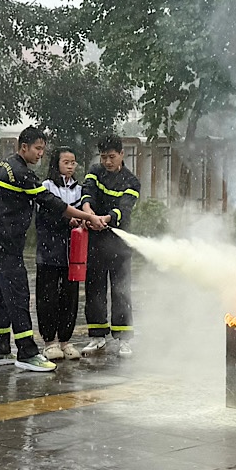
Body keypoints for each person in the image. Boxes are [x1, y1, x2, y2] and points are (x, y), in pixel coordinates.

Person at [0, 126, 109, 373]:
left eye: (43, 149)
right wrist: (89, 218)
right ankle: (27, 353)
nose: (40, 154)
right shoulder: (21, 173)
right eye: (37, 148)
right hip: (8, 246)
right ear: (23, 146)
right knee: (17, 298)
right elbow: (52, 203)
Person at [80, 132, 142, 357]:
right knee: (94, 289)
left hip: (119, 244)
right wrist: (89, 214)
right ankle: (97, 337)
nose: (107, 162)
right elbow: (87, 193)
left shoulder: (132, 181)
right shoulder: (95, 172)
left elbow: (124, 209)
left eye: (112, 157)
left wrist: (104, 219)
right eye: (103, 157)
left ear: (122, 155)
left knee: (121, 291)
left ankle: (123, 339)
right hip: (96, 242)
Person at [36, 147, 84, 362]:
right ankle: (49, 342)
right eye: (66, 162)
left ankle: (65, 340)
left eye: (73, 162)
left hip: (72, 253)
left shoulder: (79, 190)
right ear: (56, 164)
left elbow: (83, 212)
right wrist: (66, 220)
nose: (70, 166)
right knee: (48, 296)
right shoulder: (45, 187)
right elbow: (44, 216)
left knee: (70, 296)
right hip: (49, 251)